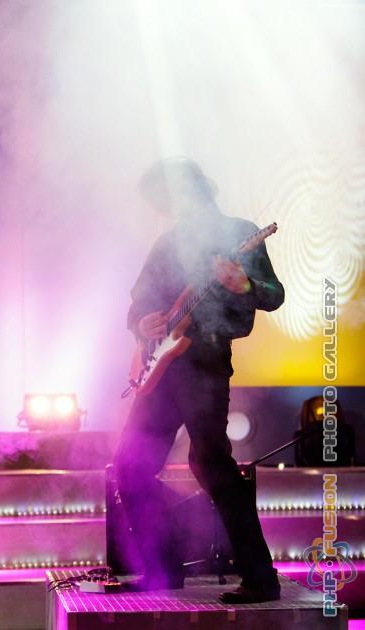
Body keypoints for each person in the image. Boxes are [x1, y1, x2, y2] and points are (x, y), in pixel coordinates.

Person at [114, 157, 285, 603]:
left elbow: (274, 294)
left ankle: (260, 578)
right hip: (162, 367)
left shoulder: (239, 234)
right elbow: (138, 304)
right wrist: (142, 324)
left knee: (209, 463)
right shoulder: (167, 243)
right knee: (130, 466)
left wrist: (244, 286)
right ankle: (163, 569)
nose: (167, 207)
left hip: (205, 362)